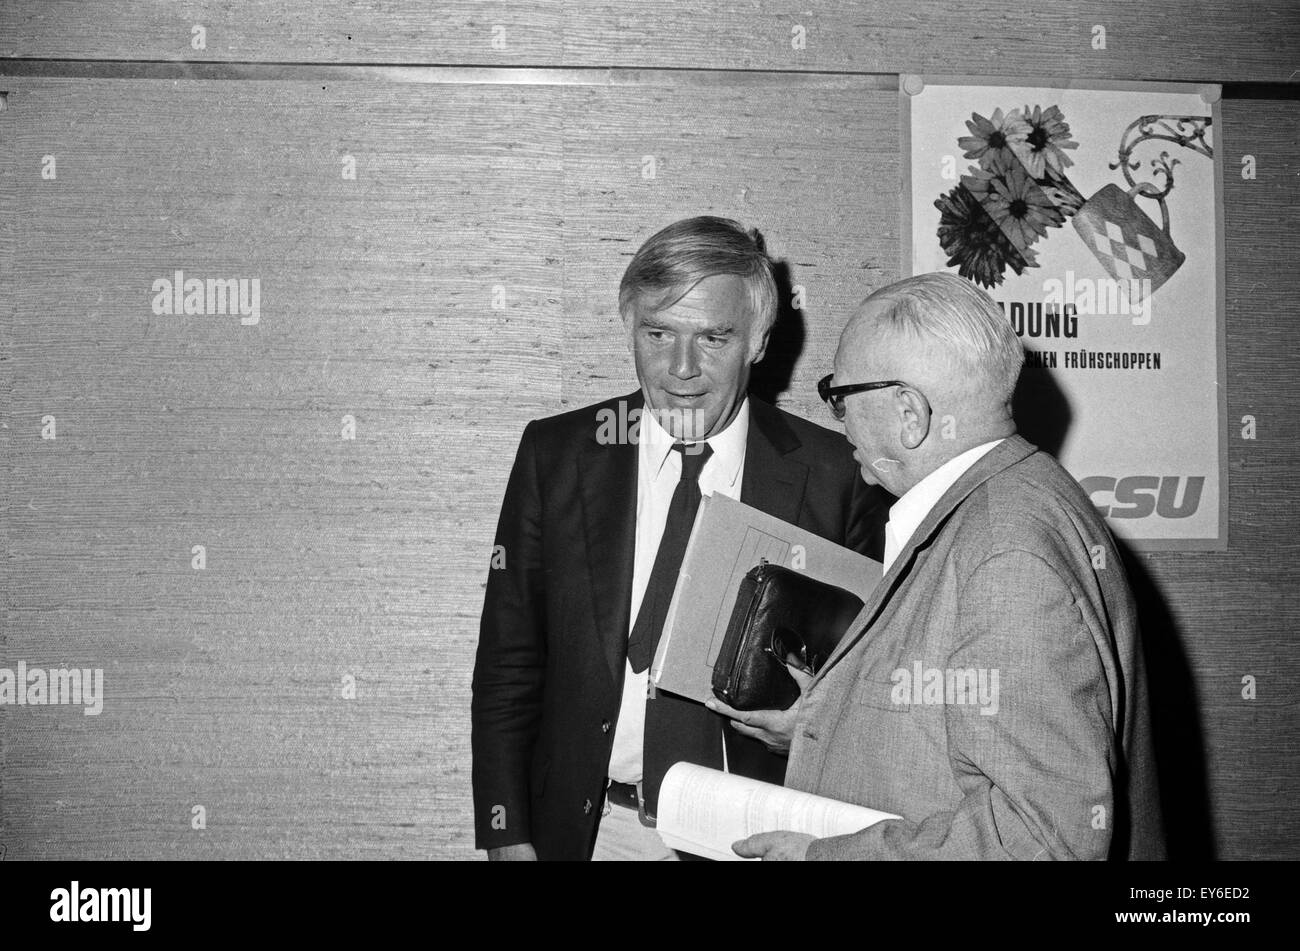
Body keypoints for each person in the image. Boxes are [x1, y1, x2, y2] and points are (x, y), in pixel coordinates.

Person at [471, 216, 889, 860]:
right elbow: (508, 662)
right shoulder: (557, 455)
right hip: (591, 836)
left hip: (757, 842)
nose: (681, 369)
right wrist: (507, 834)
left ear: (758, 340)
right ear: (629, 326)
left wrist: (810, 729)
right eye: (658, 333)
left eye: (714, 338)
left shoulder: (839, 476)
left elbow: (874, 689)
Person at [725, 272, 1166, 860]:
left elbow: (1043, 839)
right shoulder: (1016, 500)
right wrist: (821, 729)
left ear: (909, 413)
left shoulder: (1006, 552)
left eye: (840, 396)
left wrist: (823, 858)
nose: (840, 420)